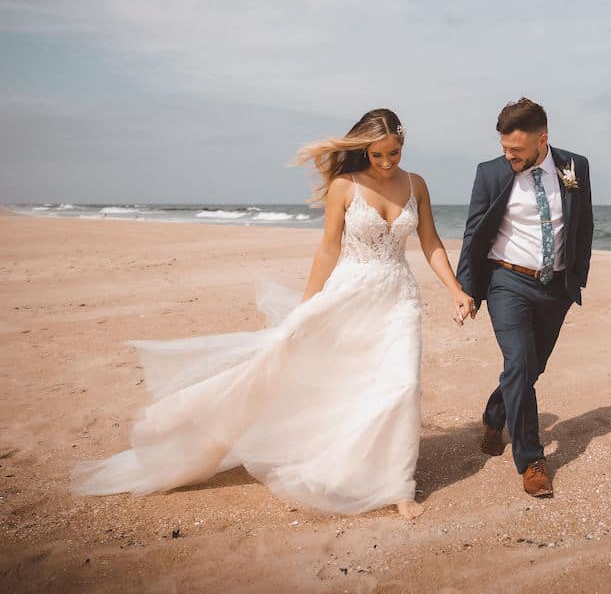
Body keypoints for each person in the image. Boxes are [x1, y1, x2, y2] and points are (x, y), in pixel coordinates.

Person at [72, 108, 474, 518]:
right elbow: (328, 250)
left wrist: (456, 289)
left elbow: (430, 242)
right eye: (378, 155)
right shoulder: (344, 186)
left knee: (403, 384)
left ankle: (398, 485)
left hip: (399, 297)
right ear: (362, 151)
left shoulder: (416, 184)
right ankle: (343, 462)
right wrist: (307, 308)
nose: (388, 162)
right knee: (346, 383)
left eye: (395, 152)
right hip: (350, 293)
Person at [456, 98, 593, 497]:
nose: (508, 156)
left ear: (542, 139)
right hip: (507, 282)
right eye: (504, 149)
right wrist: (467, 289)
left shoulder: (574, 167)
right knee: (518, 363)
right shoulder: (490, 174)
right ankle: (531, 460)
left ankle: (495, 413)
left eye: (516, 150)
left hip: (556, 288)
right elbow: (473, 232)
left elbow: (583, 223)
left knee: (530, 369)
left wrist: (577, 277)